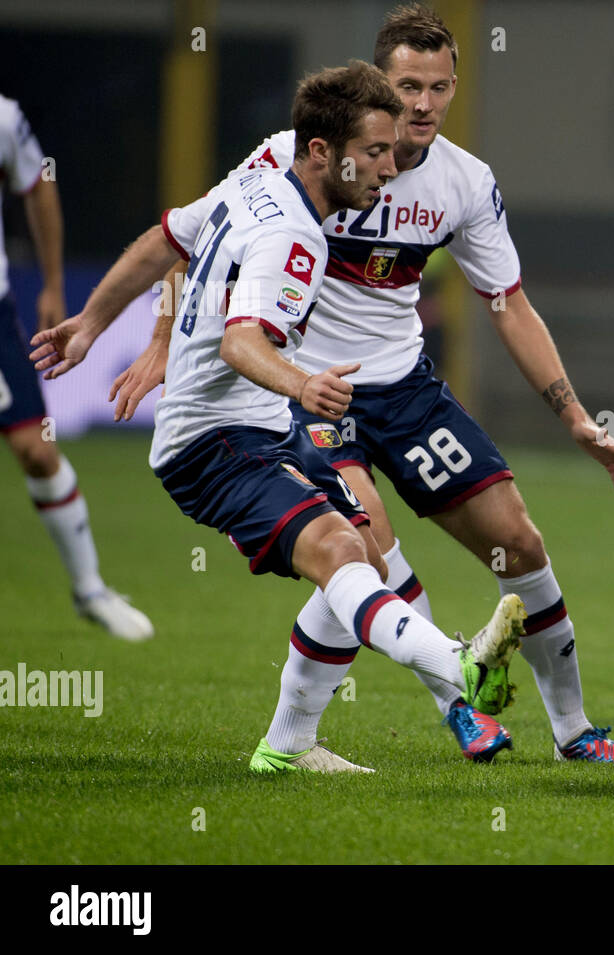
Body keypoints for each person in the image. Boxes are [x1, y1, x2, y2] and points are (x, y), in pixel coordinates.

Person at [112, 6, 614, 767]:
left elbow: (510, 304)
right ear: (377, 87)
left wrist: (574, 417)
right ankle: (449, 706)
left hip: (403, 390)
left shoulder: (465, 183)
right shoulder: (302, 157)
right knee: (360, 544)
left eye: (439, 87)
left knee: (519, 541)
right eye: (407, 86)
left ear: (455, 87)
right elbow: (199, 240)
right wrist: (162, 342)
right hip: (306, 393)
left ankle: (575, 732)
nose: (424, 104)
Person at [30, 62, 526, 773]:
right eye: (377, 153)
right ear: (323, 151)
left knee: (359, 545)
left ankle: (290, 744)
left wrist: (92, 322)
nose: (391, 169)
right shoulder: (297, 238)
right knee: (341, 550)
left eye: (393, 152)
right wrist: (305, 384)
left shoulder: (255, 183)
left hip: (259, 425)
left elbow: (166, 238)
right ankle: (460, 669)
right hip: (213, 442)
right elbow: (241, 341)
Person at [0, 94, 153, 641]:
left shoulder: (5, 118)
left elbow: (37, 183)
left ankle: (90, 588)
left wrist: (51, 282)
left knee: (36, 450)